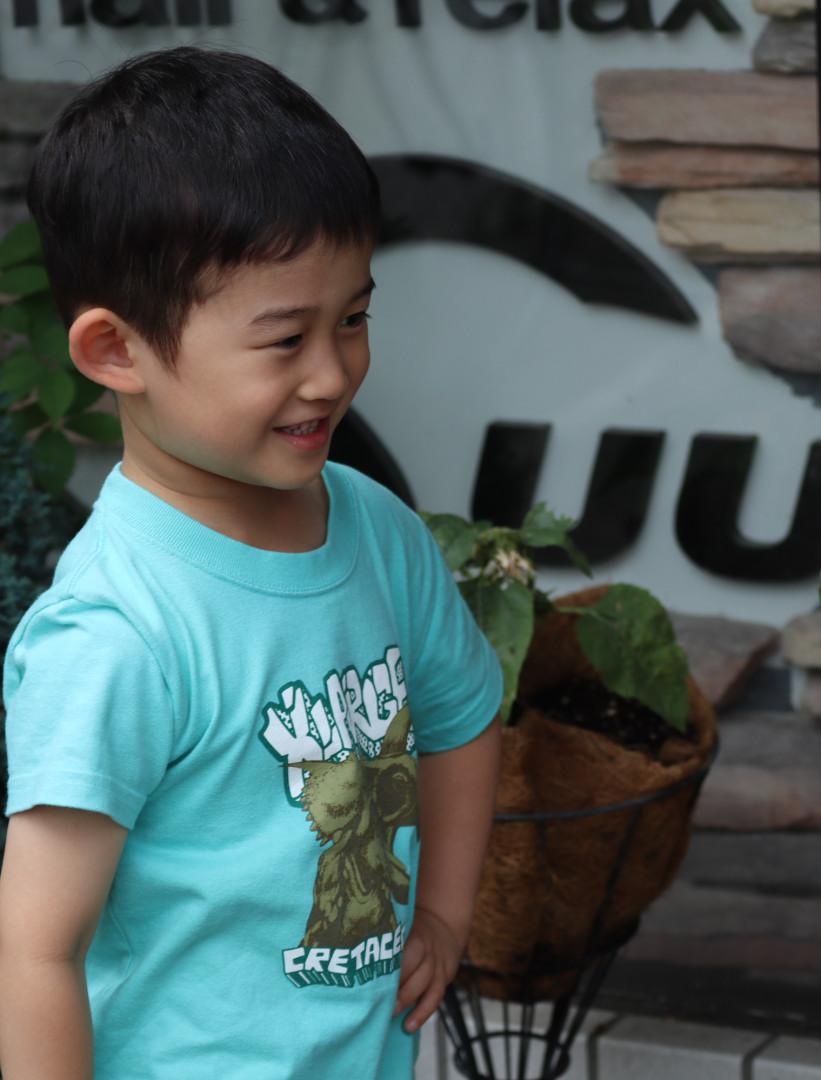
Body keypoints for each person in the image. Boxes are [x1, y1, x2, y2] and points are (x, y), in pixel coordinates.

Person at [0, 47, 503, 1079]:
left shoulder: (379, 534)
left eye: (353, 318)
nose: (333, 373)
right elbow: (38, 948)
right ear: (116, 352)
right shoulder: (118, 633)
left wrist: (446, 914)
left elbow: (463, 716)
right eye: (284, 340)